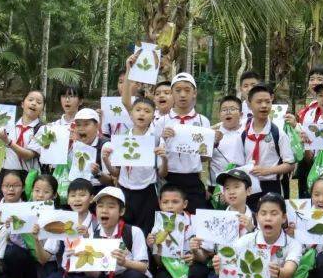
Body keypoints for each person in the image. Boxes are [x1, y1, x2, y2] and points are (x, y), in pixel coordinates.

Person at [63, 186, 151, 278]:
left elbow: (143, 266)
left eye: (111, 207)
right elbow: (96, 274)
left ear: (121, 211)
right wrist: (82, 260)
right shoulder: (93, 235)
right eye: (100, 206)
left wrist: (125, 262)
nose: (104, 210)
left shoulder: (133, 232)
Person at [106, 78, 167, 233]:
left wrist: (164, 158)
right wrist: (106, 160)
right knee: (124, 232)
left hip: (147, 192)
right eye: (138, 110)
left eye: (147, 111)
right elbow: (115, 172)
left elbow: (162, 173)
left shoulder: (156, 139)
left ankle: (143, 258)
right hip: (124, 191)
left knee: (146, 232)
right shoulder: (122, 138)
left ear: (153, 117)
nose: (142, 114)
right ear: (131, 114)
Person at [197, 169, 257, 278]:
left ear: (248, 191)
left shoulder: (258, 218)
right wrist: (195, 249)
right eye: (227, 188)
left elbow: (267, 251)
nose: (231, 192)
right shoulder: (217, 219)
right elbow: (204, 255)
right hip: (223, 272)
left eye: (236, 186)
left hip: (250, 272)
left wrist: (252, 229)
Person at [33, 178, 96, 278]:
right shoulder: (61, 221)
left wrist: (86, 238)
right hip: (64, 273)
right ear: (67, 200)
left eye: (82, 195)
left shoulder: (97, 224)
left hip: (85, 276)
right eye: (73, 196)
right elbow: (43, 259)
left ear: (91, 199)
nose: (77, 200)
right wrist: (37, 240)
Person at [157, 72, 211, 212]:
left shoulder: (202, 121)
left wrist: (211, 144)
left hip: (193, 180)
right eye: (178, 90)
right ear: (172, 93)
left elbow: (204, 158)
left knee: (196, 221)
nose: (182, 94)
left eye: (187, 90)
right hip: (170, 179)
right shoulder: (162, 121)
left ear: (194, 93)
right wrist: (164, 139)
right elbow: (156, 156)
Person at [242, 83, 296, 201]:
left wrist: (267, 171)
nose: (264, 105)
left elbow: (290, 164)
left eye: (268, 102)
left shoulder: (278, 133)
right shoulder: (243, 133)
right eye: (259, 102)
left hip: (271, 186)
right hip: (247, 186)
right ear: (249, 104)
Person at [0, 90, 44, 200]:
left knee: (25, 212)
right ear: (22, 104)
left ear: (42, 108)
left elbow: (29, 155)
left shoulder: (42, 129)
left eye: (39, 102)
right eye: (30, 100)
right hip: (6, 172)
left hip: (28, 177)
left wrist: (8, 142)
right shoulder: (9, 122)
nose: (34, 103)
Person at [210, 95, 250, 193]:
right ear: (219, 114)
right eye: (224, 110)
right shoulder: (211, 132)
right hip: (216, 185)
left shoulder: (248, 133)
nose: (228, 112)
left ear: (241, 114)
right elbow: (203, 159)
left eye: (232, 109)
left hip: (241, 184)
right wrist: (214, 142)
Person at [71, 108, 109, 192]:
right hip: (77, 191)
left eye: (86, 124)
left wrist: (98, 173)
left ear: (97, 126)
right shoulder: (74, 144)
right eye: (78, 125)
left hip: (97, 192)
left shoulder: (105, 146)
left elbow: (111, 181)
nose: (81, 128)